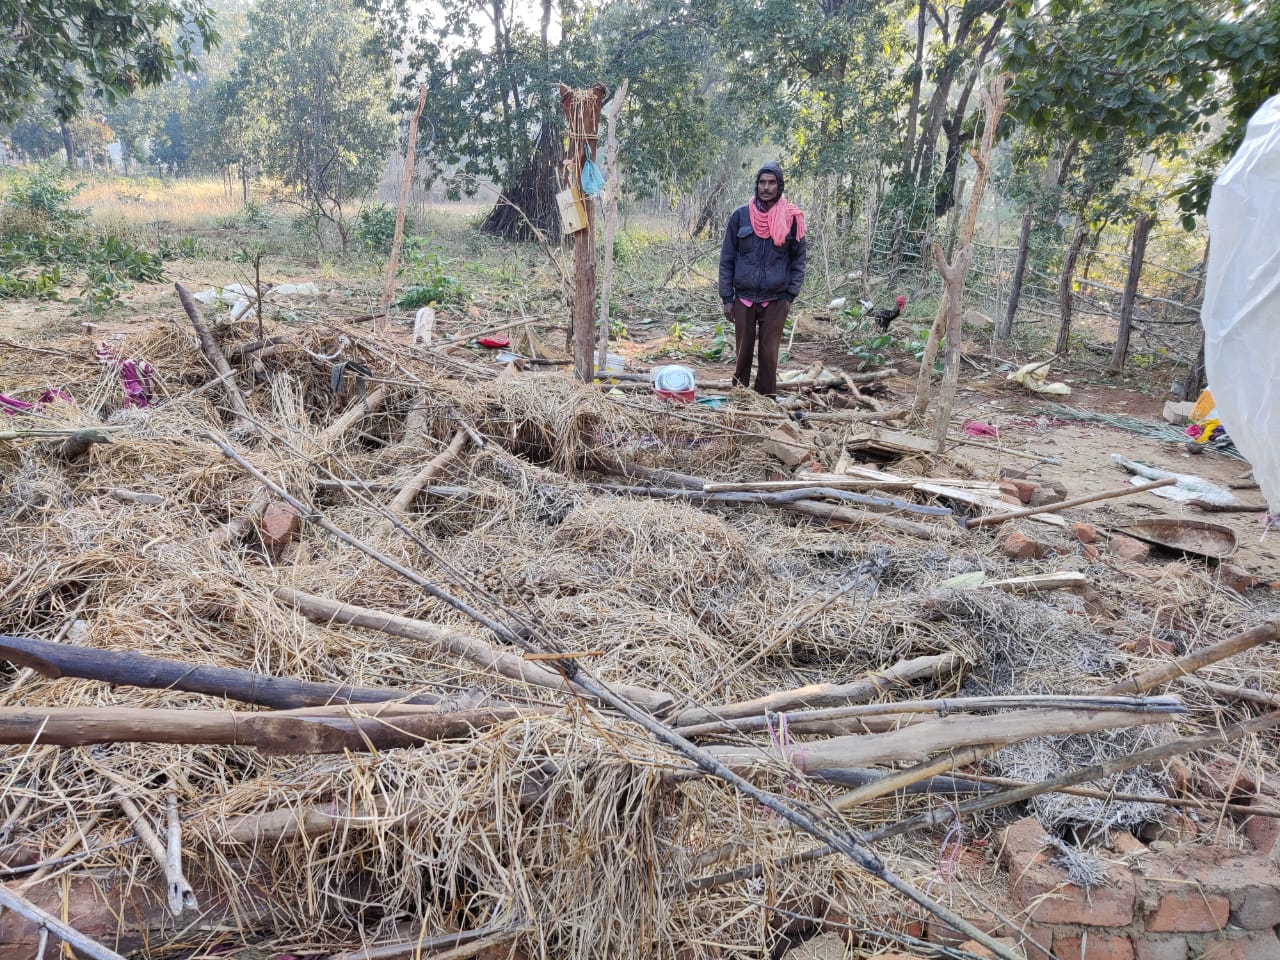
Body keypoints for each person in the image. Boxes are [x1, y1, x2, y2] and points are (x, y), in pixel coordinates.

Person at [717, 162, 807, 396]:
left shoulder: (792, 218)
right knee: (742, 353)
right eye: (762, 182)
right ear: (756, 185)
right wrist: (727, 297)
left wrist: (790, 296)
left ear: (780, 186)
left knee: (769, 355)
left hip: (776, 300)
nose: (766, 187)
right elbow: (727, 259)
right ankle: (740, 399)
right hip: (744, 299)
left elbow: (798, 261)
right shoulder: (740, 216)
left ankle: (766, 402)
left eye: (771, 183)